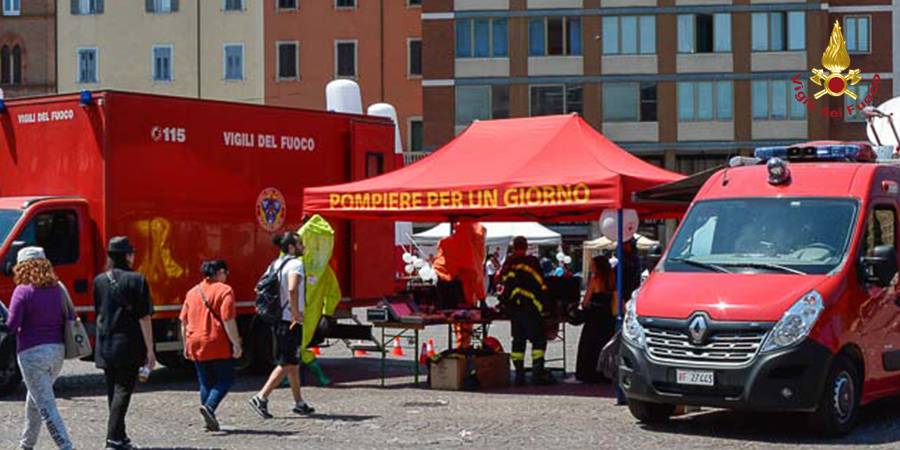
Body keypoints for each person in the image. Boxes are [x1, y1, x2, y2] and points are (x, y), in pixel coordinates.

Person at [6, 247, 74, 450]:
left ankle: (66, 446)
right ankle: (26, 445)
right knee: (35, 400)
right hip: (57, 352)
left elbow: (11, 326)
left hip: (31, 353)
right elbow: (69, 316)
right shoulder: (58, 288)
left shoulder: (23, 290)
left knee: (46, 406)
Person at [93, 236, 155, 450]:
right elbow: (144, 317)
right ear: (128, 256)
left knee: (113, 391)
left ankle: (120, 436)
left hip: (105, 343)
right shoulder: (137, 280)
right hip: (129, 343)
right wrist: (150, 349)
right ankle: (112, 439)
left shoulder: (99, 280)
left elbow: (99, 311)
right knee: (123, 391)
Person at [249, 232, 315, 419]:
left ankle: (299, 403)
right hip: (290, 320)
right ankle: (261, 397)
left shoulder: (275, 264)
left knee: (293, 362)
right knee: (286, 362)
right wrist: (295, 312)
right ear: (292, 247)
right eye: (300, 243)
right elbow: (293, 287)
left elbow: (259, 286)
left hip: (278, 317)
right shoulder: (296, 264)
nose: (303, 246)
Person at [181, 260, 242, 432]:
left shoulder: (192, 292)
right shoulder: (225, 290)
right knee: (226, 378)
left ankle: (208, 417)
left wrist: (185, 344)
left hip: (195, 341)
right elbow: (228, 319)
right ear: (220, 272)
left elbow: (183, 321)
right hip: (216, 341)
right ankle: (209, 407)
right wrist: (236, 343)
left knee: (205, 381)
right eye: (226, 273)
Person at [498, 236, 554, 386]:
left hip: (515, 310)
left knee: (518, 341)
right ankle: (537, 374)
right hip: (533, 308)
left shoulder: (509, 263)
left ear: (513, 246)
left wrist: (503, 305)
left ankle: (519, 376)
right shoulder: (532, 262)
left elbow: (502, 285)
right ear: (526, 246)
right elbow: (542, 285)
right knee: (538, 340)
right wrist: (546, 307)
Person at [575, 255, 616, 383]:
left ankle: (589, 373)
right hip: (608, 318)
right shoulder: (613, 278)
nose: (591, 267)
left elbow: (585, 301)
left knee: (590, 347)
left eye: (592, 264)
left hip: (594, 319)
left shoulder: (595, 280)